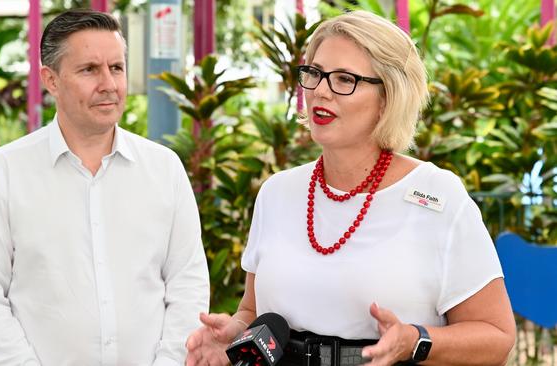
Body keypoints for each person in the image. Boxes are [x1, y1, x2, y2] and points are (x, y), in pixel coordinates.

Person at [185, 10, 515, 366]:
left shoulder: (438, 195)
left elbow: (496, 338)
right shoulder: (276, 193)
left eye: (344, 79)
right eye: (314, 74)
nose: (321, 91)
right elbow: (251, 308)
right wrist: (234, 334)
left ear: (388, 97)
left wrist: (415, 341)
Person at [0, 9, 209, 365]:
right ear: (52, 80)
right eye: (89, 69)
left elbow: (188, 284)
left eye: (117, 68)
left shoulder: (164, 169)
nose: (108, 83)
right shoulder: (5, 172)